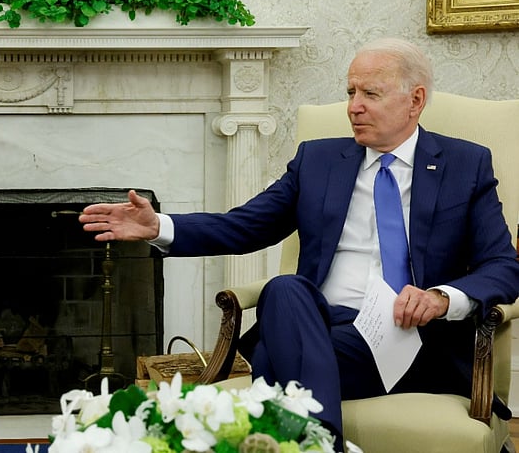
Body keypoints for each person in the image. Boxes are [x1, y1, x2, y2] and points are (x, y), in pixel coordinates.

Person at [78, 37, 519, 448]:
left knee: (272, 357)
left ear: (415, 100)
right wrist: (160, 228)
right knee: (284, 290)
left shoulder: (465, 164)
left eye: (371, 94)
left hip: (413, 339)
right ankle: (320, 443)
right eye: (350, 93)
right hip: (321, 324)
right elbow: (246, 225)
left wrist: (443, 298)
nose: (354, 107)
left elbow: (502, 265)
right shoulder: (319, 160)